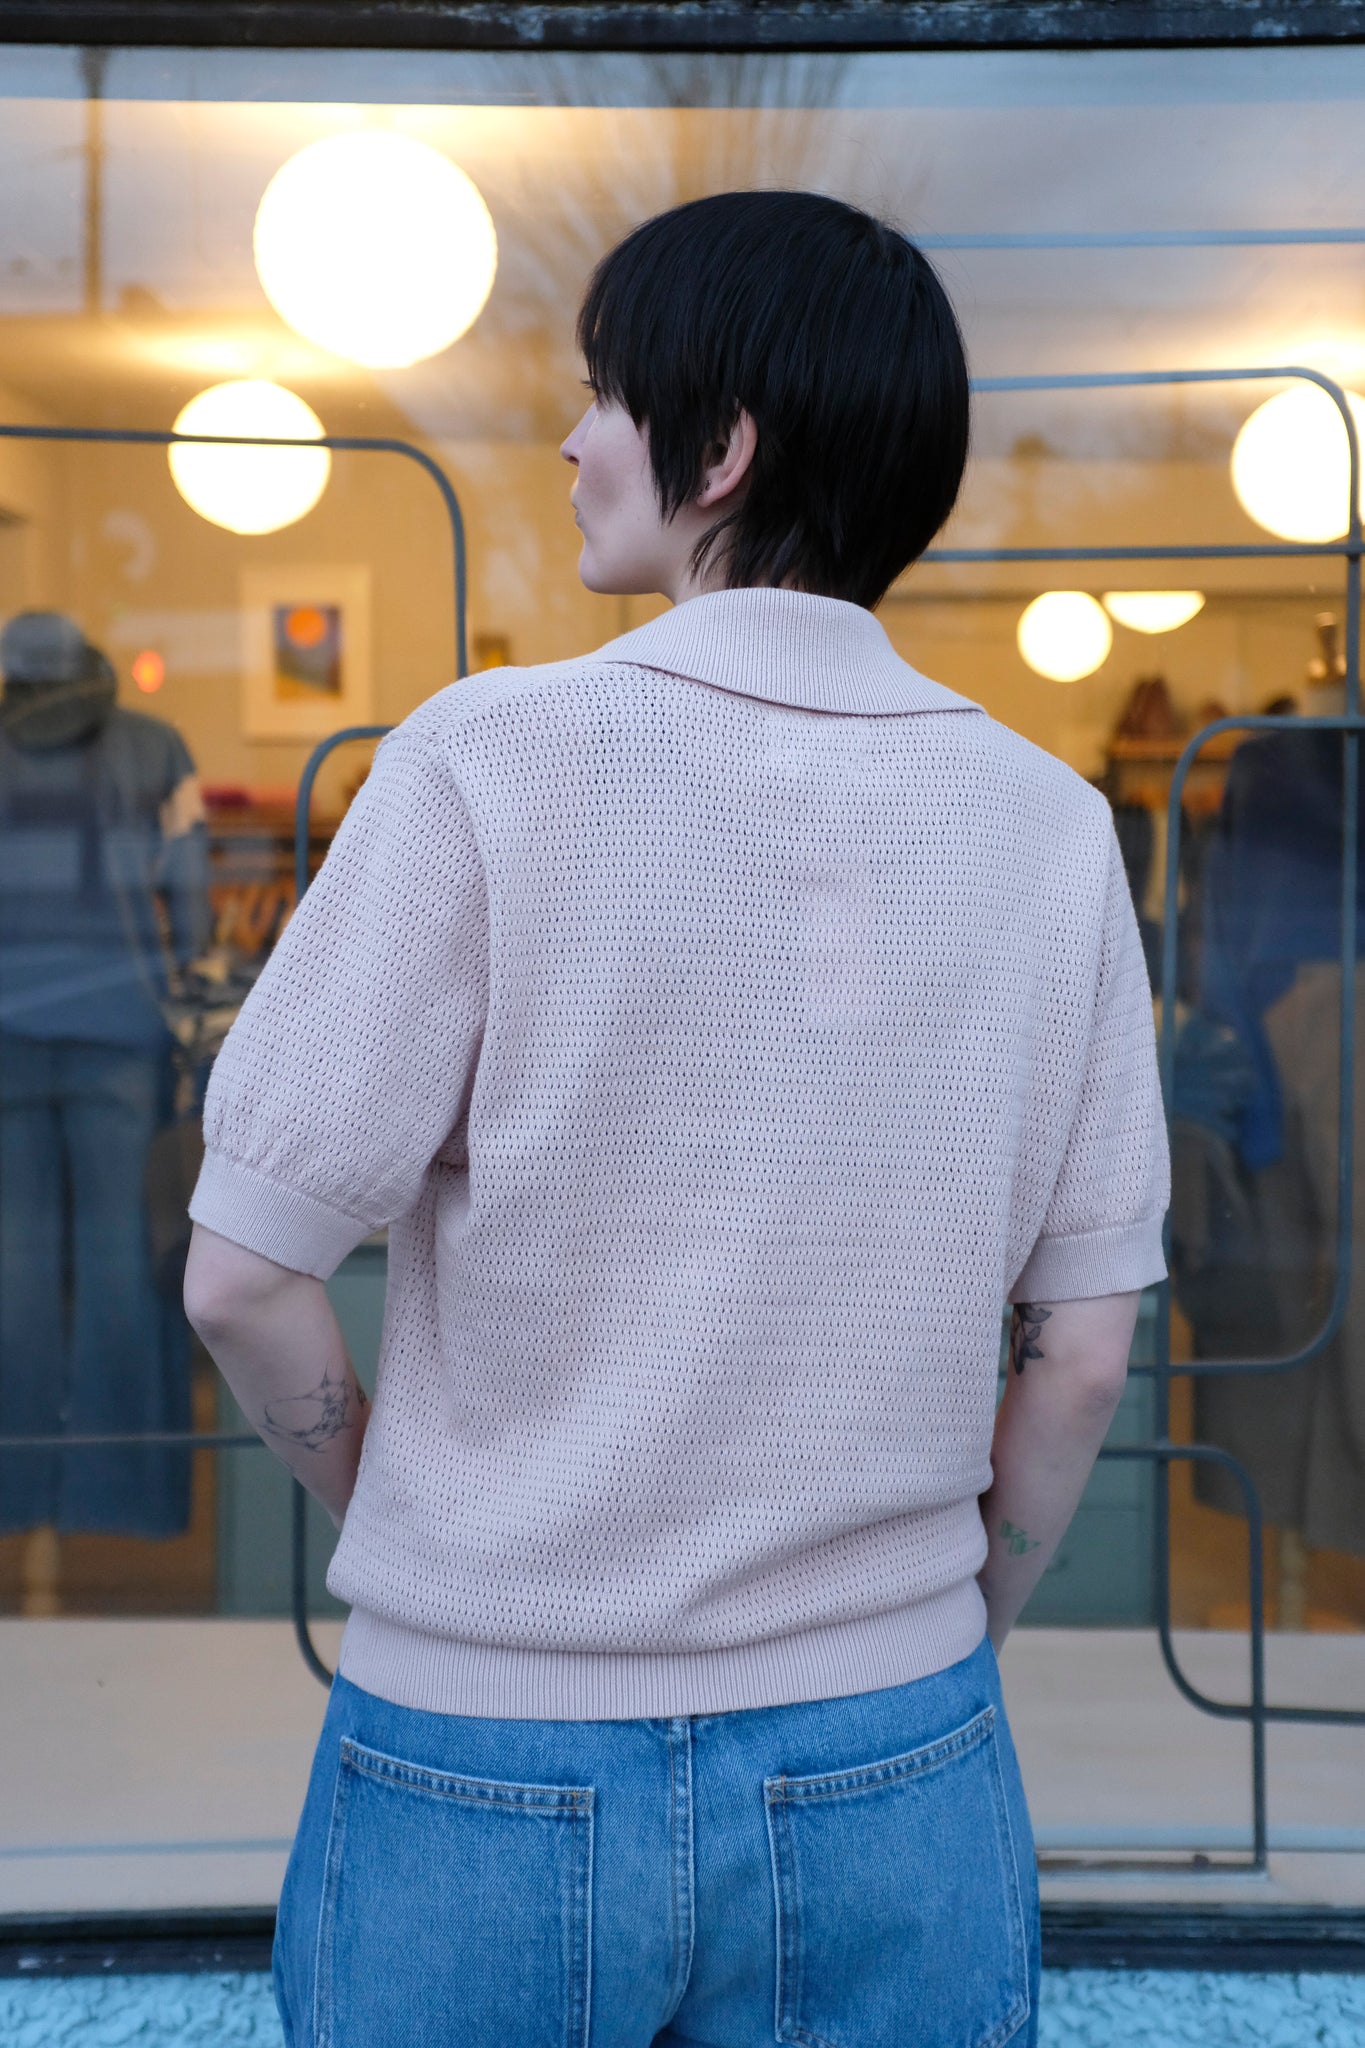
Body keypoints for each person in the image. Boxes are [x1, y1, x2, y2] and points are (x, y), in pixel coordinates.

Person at [185, 192, 1168, 2048]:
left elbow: (243, 1275)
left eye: (603, 396)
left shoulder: (482, 763)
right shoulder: (1052, 830)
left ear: (720, 451)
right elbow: (1085, 1354)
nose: (568, 443)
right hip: (896, 1752)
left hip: (482, 1750)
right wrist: (939, 1632)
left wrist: (410, 1517)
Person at [0, 611, 210, 1571]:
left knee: (13, 1275)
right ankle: (125, 1500)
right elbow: (191, 893)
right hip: (122, 1034)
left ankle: (14, 1497)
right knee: (123, 1270)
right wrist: (191, 983)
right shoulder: (155, 748)